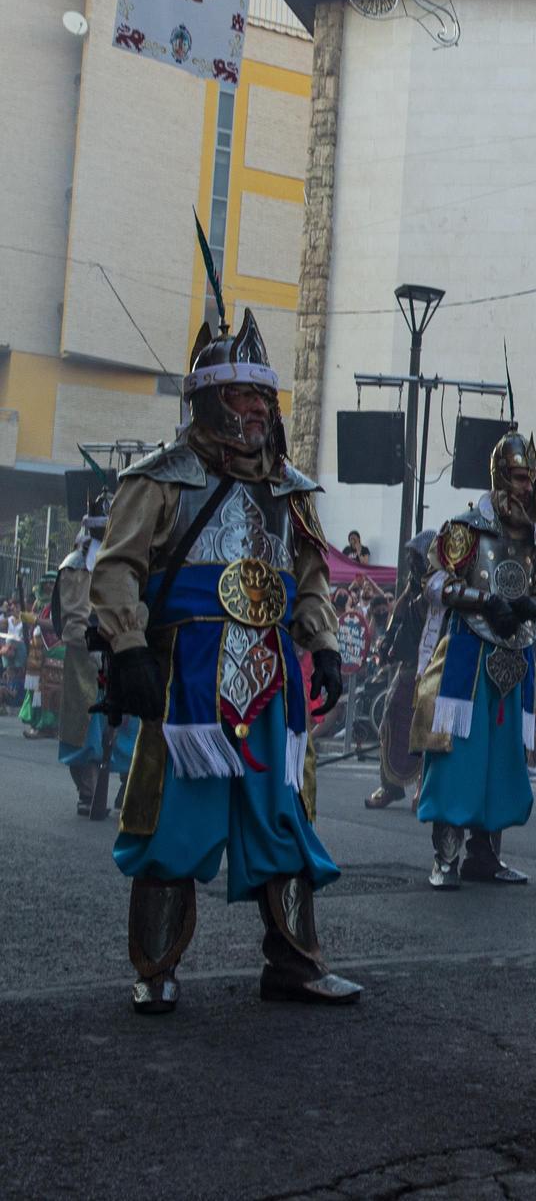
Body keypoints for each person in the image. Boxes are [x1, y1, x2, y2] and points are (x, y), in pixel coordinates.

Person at [91, 311, 361, 1012]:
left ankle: (296, 963)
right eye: (241, 399)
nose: (256, 413)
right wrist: (127, 649)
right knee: (174, 823)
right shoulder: (160, 481)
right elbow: (117, 569)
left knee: (285, 814)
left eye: (263, 400)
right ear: (209, 401)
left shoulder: (289, 490)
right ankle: (155, 968)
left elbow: (311, 577)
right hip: (187, 678)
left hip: (271, 672)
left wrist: (324, 642)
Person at [410, 433, 536, 890]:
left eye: (531, 478)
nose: (527, 487)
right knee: (459, 755)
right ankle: (445, 856)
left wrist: (531, 607)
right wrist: (481, 599)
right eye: (519, 477)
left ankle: (485, 853)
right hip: (469, 655)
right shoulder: (464, 529)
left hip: (514, 655)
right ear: (500, 478)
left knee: (501, 759)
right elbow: (434, 581)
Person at [54, 496, 137, 817]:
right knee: (85, 734)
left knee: (131, 728)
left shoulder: (127, 562)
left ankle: (128, 787)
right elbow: (74, 624)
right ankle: (88, 791)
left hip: (123, 657)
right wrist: (98, 654)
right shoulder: (76, 566)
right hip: (88, 665)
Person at [365, 533, 436, 809]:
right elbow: (397, 622)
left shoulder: (438, 588)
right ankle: (390, 785)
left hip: (432, 667)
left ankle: (424, 788)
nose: (410, 560)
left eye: (415, 555)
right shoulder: (410, 589)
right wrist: (386, 646)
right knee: (390, 719)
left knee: (428, 729)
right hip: (407, 667)